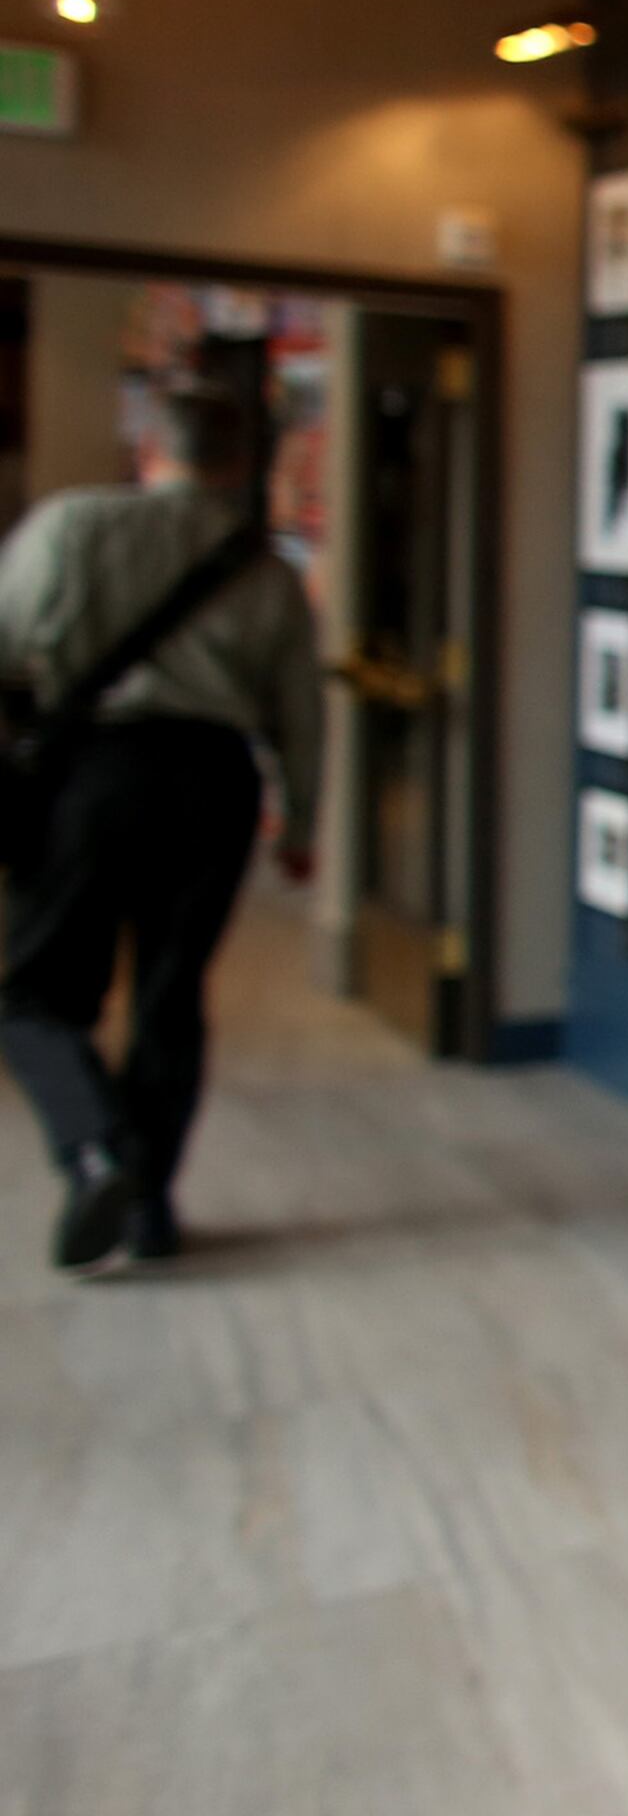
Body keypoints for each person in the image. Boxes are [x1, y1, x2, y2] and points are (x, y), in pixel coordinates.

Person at [0, 379, 321, 1273]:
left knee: (36, 993)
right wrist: (300, 819)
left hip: (91, 773)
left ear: (150, 449)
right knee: (170, 998)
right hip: (213, 782)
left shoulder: (73, 527)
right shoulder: (266, 568)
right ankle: (149, 1210)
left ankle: (95, 1148)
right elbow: (300, 707)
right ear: (238, 465)